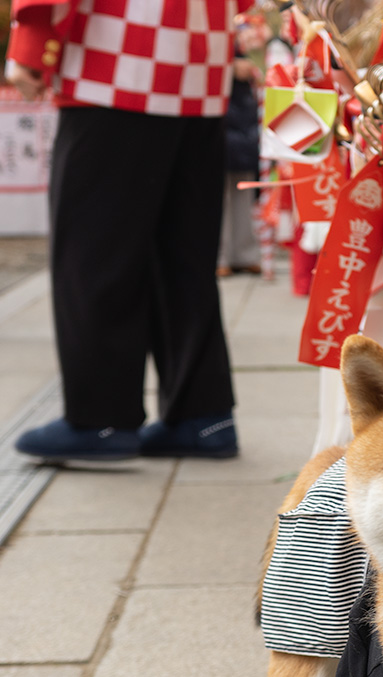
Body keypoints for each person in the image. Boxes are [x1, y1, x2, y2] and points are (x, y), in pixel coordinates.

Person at [6, 0, 249, 462]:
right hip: (201, 62)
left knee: (93, 253)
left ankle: (100, 419)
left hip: (114, 60)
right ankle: (203, 416)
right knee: (184, 257)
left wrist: (32, 44)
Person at [217, 52, 262, 278]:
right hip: (221, 127)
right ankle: (221, 257)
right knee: (219, 200)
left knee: (243, 198)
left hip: (243, 133)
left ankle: (245, 255)